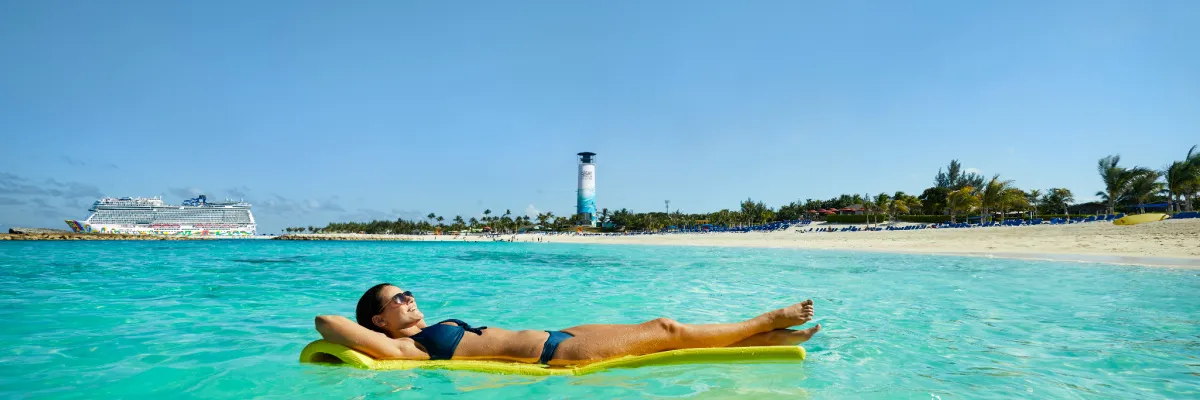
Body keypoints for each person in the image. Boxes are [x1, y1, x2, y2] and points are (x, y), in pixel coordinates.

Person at [314, 283, 821, 366]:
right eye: (397, 299)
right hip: (556, 356)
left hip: (562, 333)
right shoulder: (408, 351)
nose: (410, 299)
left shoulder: (422, 333)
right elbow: (327, 320)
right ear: (379, 318)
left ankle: (767, 337)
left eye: (409, 293)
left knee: (658, 326)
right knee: (667, 331)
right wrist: (378, 336)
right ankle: (765, 322)